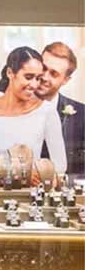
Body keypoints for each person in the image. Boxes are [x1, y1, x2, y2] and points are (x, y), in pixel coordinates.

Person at [0, 45, 67, 177]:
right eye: (28, 77)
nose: (34, 85)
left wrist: (36, 173)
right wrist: (19, 172)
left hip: (32, 193)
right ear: (10, 73)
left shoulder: (47, 111)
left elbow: (60, 165)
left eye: (38, 78)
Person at [37, 41, 85, 176]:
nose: (45, 77)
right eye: (43, 68)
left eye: (54, 73)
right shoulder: (12, 109)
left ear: (65, 80)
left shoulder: (83, 115)